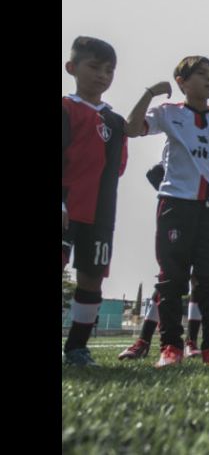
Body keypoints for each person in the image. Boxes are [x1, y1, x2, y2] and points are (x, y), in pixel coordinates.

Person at [126, 55, 209, 367]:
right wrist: (149, 93)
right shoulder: (168, 113)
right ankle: (170, 347)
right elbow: (130, 128)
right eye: (201, 74)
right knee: (172, 280)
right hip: (175, 205)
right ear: (181, 81)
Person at [117, 160, 209, 360]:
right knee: (170, 279)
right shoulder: (182, 155)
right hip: (183, 222)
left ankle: (190, 342)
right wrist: (177, 199)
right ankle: (145, 340)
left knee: (202, 282)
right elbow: (154, 174)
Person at [62, 36, 128, 366]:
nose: (103, 75)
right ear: (72, 68)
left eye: (109, 70)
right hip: (66, 206)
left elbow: (118, 168)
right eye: (94, 67)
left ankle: (77, 348)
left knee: (92, 277)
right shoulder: (65, 108)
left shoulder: (115, 122)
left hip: (101, 213)